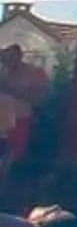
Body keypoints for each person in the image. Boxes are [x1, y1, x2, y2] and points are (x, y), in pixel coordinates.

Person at [0, 45, 48, 175]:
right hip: (2, 119)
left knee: (12, 154)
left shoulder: (34, 73)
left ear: (18, 56)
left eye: (8, 58)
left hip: (20, 118)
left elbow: (38, 98)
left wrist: (10, 89)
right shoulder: (3, 72)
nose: (5, 62)